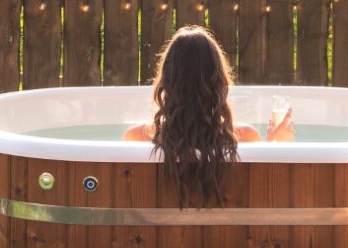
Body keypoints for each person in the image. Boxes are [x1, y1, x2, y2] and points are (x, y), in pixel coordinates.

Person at [124, 26, 294, 205]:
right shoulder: (246, 137)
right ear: (219, 82)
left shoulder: (136, 137)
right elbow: (269, 198)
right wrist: (279, 146)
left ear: (166, 81)